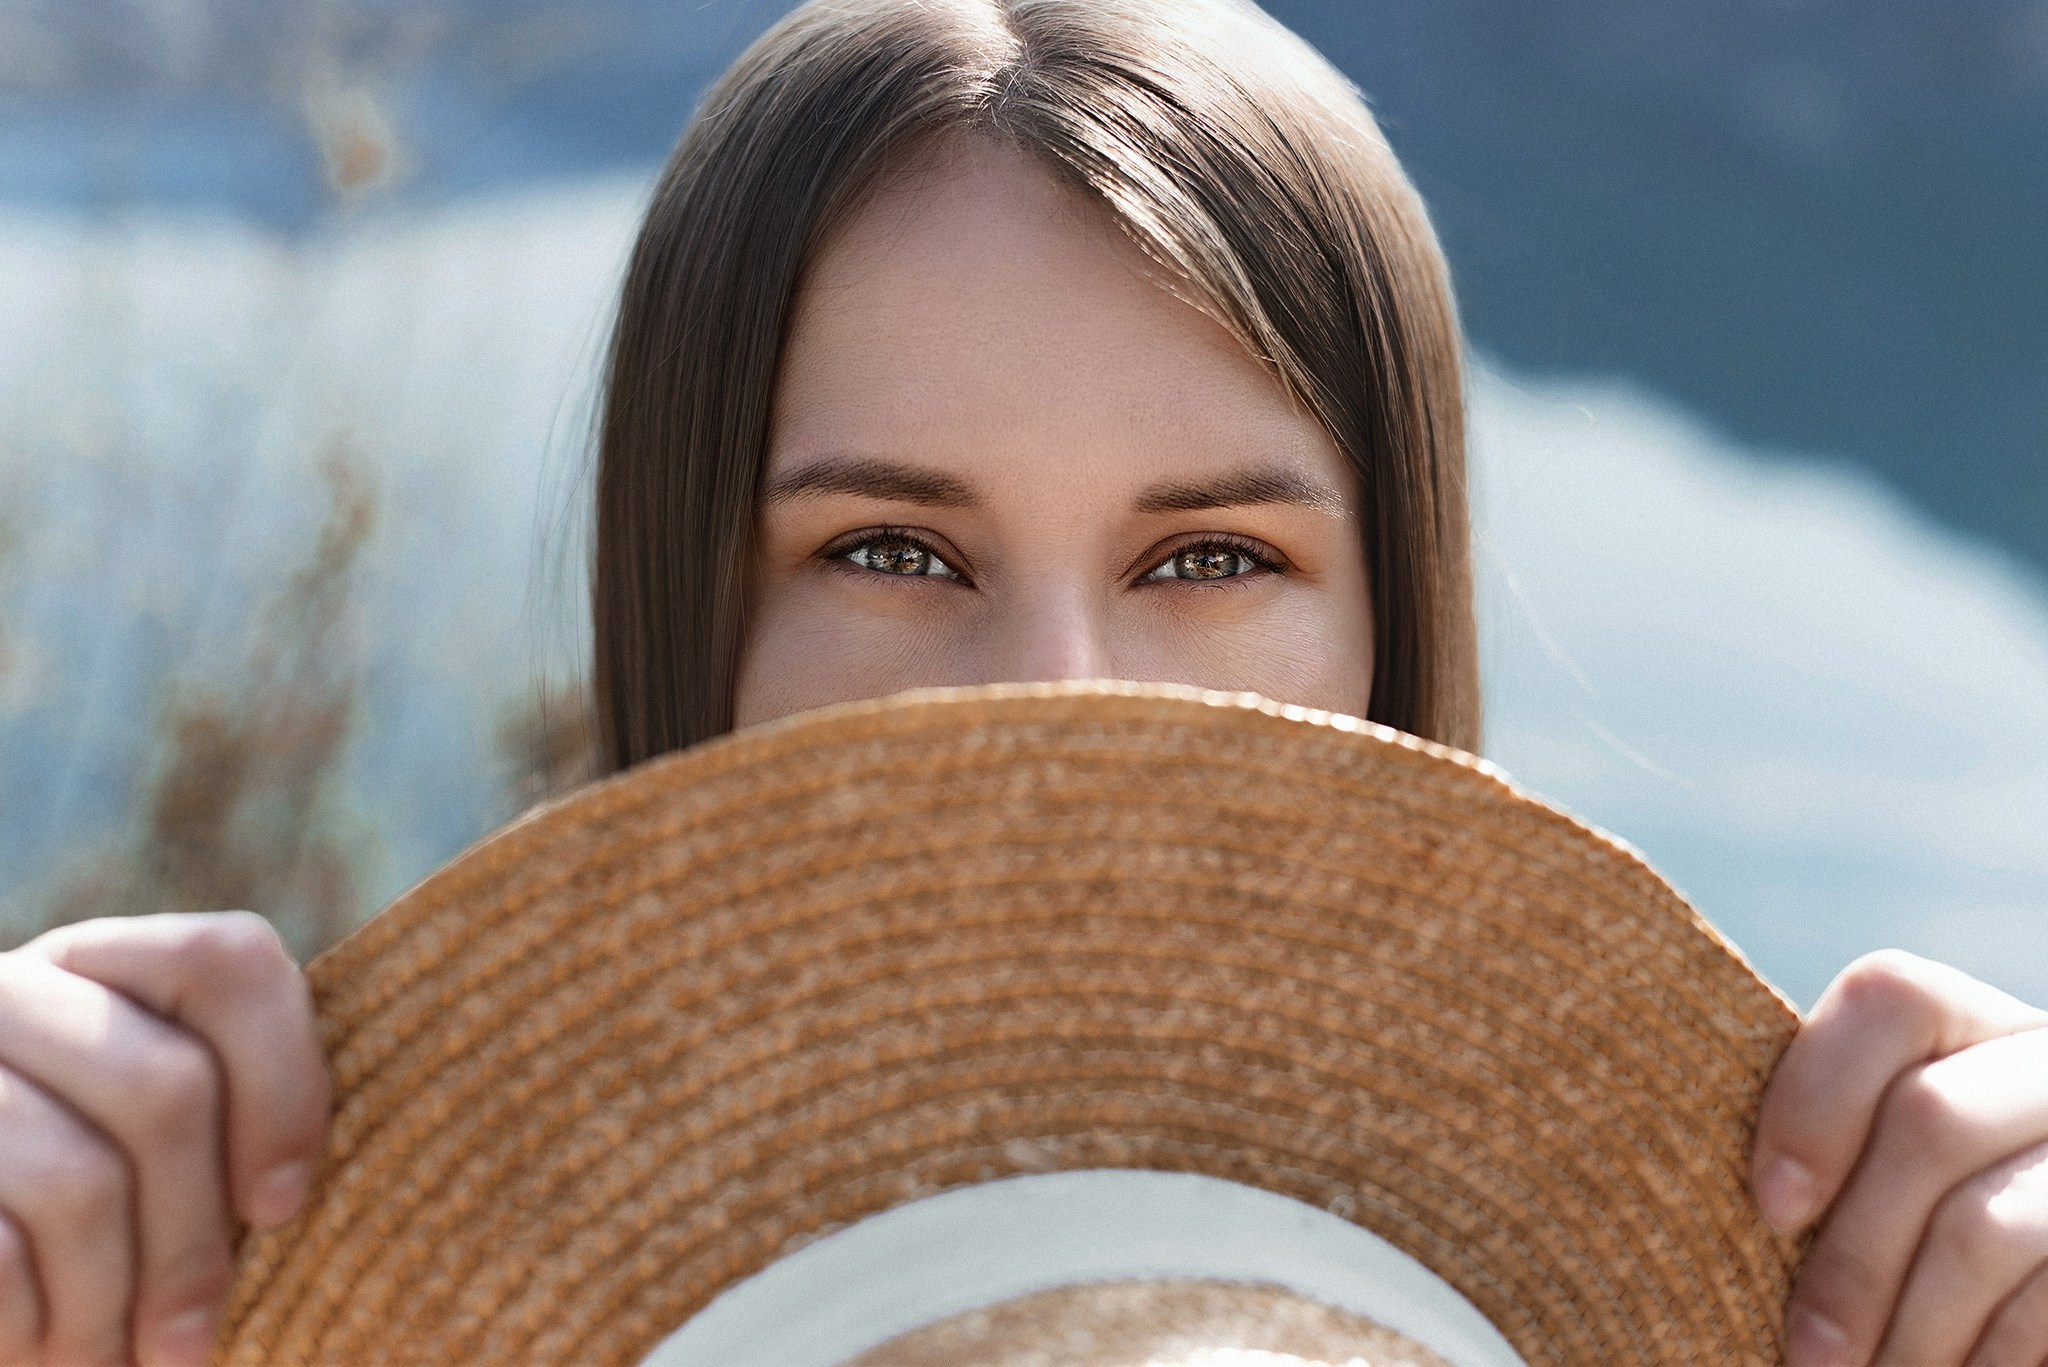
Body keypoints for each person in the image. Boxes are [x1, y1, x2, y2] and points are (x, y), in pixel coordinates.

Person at [2, 2, 2044, 1365]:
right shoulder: (190, 1286)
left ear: (1393, 632)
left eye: (1211, 559)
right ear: (683, 610)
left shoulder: (1842, 1292)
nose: (1057, 700)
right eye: (889, 553)